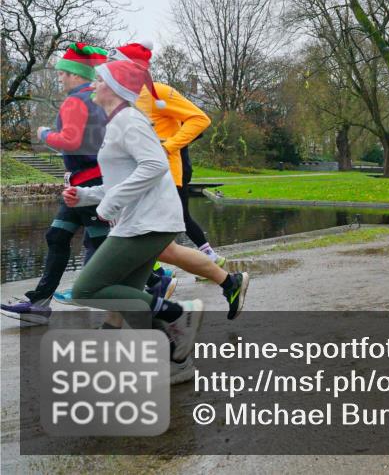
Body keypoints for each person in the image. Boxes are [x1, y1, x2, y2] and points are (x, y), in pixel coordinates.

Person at [65, 58, 203, 374]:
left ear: (113, 88)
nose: (93, 86)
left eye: (99, 80)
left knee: (85, 289)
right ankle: (176, 359)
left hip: (149, 222)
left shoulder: (129, 120)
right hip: (141, 221)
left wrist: (110, 204)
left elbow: (154, 166)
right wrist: (84, 196)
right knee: (127, 303)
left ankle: (177, 312)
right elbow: (119, 183)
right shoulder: (119, 123)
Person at [1, 44, 114, 325]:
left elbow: (72, 141)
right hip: (86, 180)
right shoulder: (96, 98)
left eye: (63, 73)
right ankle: (39, 304)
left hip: (88, 184)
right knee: (58, 237)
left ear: (76, 75)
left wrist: (45, 134)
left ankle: (155, 286)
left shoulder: (76, 100)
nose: (59, 78)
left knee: (101, 243)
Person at [107, 42, 224, 266]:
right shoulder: (123, 99)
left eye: (114, 65)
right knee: (143, 230)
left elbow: (200, 119)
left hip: (166, 173)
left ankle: (210, 267)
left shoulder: (158, 91)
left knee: (156, 230)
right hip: (139, 173)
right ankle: (171, 274)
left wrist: (168, 146)